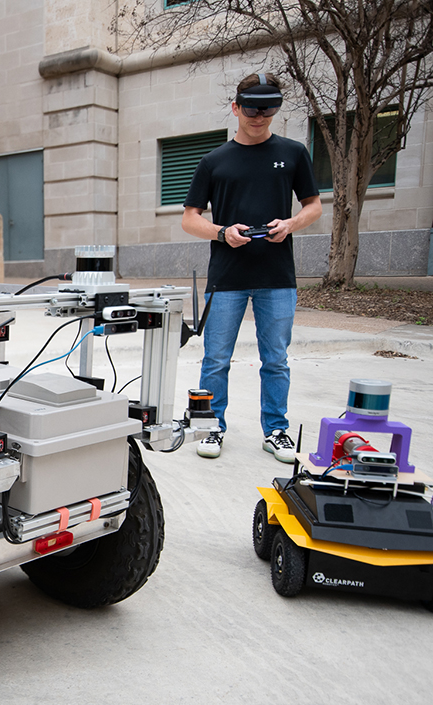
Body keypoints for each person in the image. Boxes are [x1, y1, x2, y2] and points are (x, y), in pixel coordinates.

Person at [182, 73, 322, 462]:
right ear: (235, 107)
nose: (259, 116)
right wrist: (222, 232)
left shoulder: (293, 153)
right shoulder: (214, 161)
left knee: (275, 359)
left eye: (268, 109)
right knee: (215, 359)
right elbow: (189, 218)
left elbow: (313, 206)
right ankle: (211, 426)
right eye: (251, 108)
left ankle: (276, 430)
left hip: (277, 276)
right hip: (227, 277)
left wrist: (290, 224)